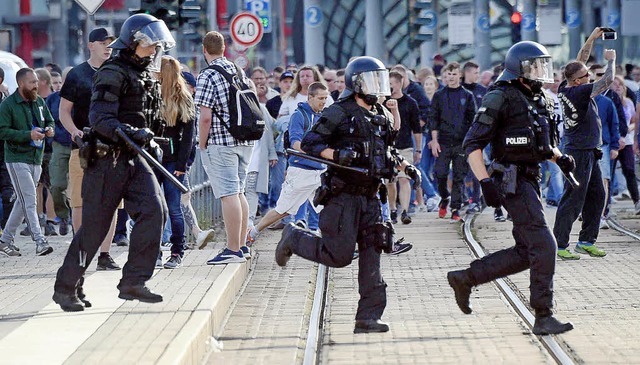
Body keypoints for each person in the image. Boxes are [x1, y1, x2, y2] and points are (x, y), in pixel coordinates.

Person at [275, 56, 420, 334]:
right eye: (372, 80)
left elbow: (385, 151)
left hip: (371, 197)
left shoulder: (381, 114)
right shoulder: (339, 111)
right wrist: (336, 154)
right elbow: (310, 142)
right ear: (356, 83)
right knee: (339, 256)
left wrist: (406, 167)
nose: (378, 87)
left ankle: (368, 317)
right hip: (343, 197)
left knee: (372, 256)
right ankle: (294, 237)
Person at [447, 41, 575, 335]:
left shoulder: (538, 98)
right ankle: (543, 315)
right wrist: (485, 183)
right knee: (544, 245)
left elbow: (540, 140)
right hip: (509, 180)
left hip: (530, 178)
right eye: (536, 66)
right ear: (520, 69)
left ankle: (465, 278)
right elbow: (472, 144)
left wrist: (559, 158)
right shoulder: (499, 96)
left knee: (525, 251)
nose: (542, 72)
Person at [53, 14, 174, 311]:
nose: (155, 48)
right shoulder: (112, 71)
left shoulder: (144, 73)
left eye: (157, 44)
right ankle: (66, 287)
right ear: (134, 42)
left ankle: (133, 281)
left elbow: (148, 117)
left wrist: (154, 138)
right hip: (107, 160)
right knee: (94, 228)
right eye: (150, 44)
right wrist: (132, 133)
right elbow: (100, 119)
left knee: (154, 211)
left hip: (134, 157)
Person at [58, 27, 120, 269]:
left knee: (111, 202)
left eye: (110, 43)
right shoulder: (77, 74)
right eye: (103, 42)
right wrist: (74, 131)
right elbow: (64, 111)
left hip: (112, 146)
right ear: (90, 45)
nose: (108, 47)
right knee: (80, 201)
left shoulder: (117, 71)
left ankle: (104, 255)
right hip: (83, 147)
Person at [554, 28, 616, 260]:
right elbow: (607, 81)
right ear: (579, 81)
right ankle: (560, 244)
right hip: (578, 152)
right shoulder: (580, 93)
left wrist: (591, 38)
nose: (590, 76)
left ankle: (586, 241)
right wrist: (611, 61)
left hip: (589, 150)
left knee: (597, 196)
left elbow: (579, 60)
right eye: (587, 75)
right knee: (573, 198)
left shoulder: (566, 86)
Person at [195, 31, 252, 264]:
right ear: (224, 49)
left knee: (228, 194)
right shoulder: (239, 71)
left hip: (221, 142)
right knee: (239, 192)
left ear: (204, 50)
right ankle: (242, 245)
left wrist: (201, 143)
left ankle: (232, 249)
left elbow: (205, 117)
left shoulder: (208, 75)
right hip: (245, 141)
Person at [247, 82, 329, 242]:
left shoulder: (323, 116)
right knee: (283, 210)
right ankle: (253, 233)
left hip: (319, 172)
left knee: (330, 207)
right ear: (310, 97)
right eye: (320, 98)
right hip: (301, 172)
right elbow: (295, 142)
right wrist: (316, 151)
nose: (323, 102)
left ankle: (334, 242)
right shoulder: (299, 115)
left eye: (325, 98)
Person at [0, 68, 55, 257]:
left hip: (36, 158)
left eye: (37, 81)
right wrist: (27, 135)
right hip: (16, 159)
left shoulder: (39, 101)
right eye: (32, 82)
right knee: (30, 199)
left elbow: (50, 120)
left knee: (22, 202)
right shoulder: (8, 105)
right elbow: (2, 131)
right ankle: (40, 241)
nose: (36, 85)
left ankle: (5, 240)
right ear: (21, 83)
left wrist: (49, 129)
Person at [157, 56, 196, 269]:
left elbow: (188, 136)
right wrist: (183, 165)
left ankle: (165, 252)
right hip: (169, 160)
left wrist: (181, 165)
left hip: (158, 159)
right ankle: (176, 251)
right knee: (172, 208)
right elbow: (188, 138)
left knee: (163, 208)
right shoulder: (185, 97)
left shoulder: (173, 98)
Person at [429, 62, 477, 221]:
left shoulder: (467, 96)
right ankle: (444, 197)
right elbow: (433, 119)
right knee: (440, 173)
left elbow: (473, 120)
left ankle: (455, 208)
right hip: (443, 141)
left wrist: (471, 142)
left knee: (459, 176)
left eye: (454, 74)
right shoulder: (439, 95)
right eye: (449, 74)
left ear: (460, 75)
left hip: (461, 143)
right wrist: (434, 141)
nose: (451, 77)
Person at [384, 71, 422, 224]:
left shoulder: (410, 102)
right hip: (388, 147)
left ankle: (405, 211)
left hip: (405, 146)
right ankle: (393, 209)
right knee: (390, 181)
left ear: (399, 84)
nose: (389, 87)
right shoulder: (383, 102)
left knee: (404, 179)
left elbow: (416, 128)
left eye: (391, 83)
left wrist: (418, 149)